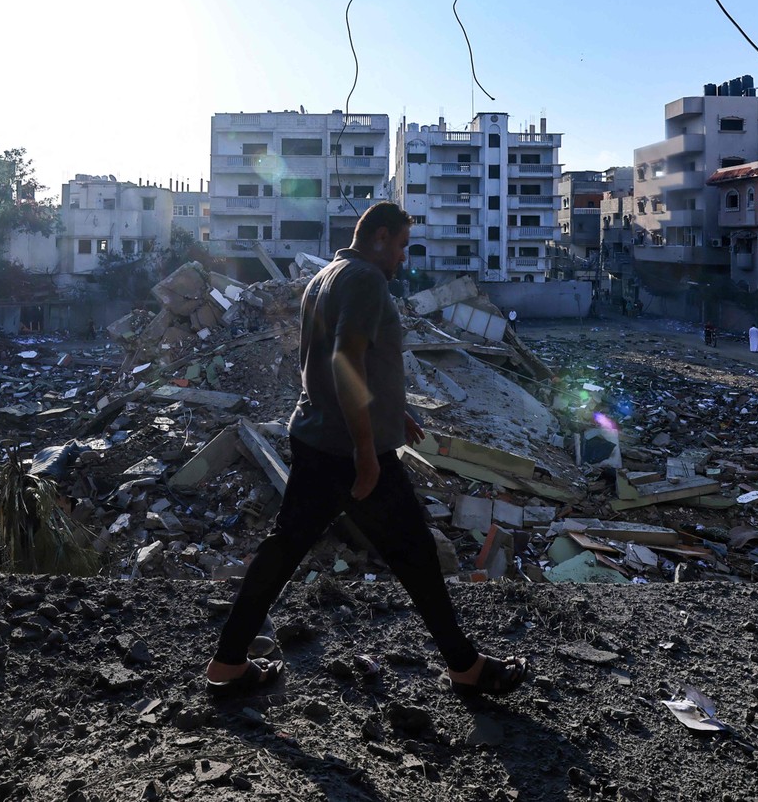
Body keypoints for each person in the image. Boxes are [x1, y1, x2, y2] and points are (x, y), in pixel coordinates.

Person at [204, 202, 529, 699]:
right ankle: (465, 667)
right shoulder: (365, 280)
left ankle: (228, 663)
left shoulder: (327, 275)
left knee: (287, 546)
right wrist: (366, 449)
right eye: (400, 246)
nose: (402, 258)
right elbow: (343, 359)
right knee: (415, 553)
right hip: (346, 447)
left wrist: (390, 411)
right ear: (379, 237)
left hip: (319, 434)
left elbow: (329, 359)